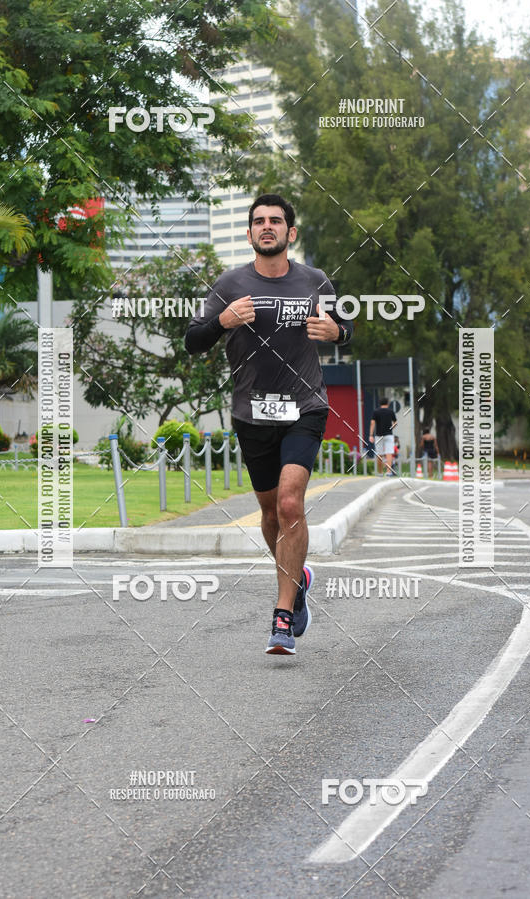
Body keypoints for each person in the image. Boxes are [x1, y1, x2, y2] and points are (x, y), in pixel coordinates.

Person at [185, 194, 352, 655]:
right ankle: (297, 583)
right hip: (252, 412)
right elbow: (193, 340)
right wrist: (222, 320)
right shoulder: (230, 282)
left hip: (304, 407)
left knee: (291, 503)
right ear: (249, 233)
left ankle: (282, 618)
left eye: (276, 221)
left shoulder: (315, 282)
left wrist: (337, 333)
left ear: (290, 233)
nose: (267, 227)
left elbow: (346, 330)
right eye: (259, 221)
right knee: (269, 514)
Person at [369, 398, 397, 475]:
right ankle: (388, 472)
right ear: (387, 403)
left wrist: (371, 435)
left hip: (378, 435)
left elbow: (372, 423)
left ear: (380, 403)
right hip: (389, 435)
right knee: (389, 453)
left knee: (379, 454)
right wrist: (391, 428)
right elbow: (395, 422)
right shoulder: (391, 411)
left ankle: (380, 472)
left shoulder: (376, 412)